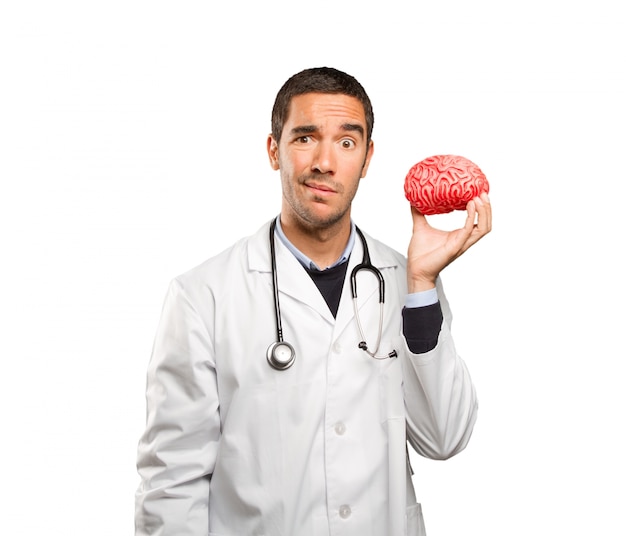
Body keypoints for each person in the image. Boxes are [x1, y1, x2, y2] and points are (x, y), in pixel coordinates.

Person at [135, 66, 492, 536]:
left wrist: (423, 283)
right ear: (273, 150)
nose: (325, 161)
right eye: (305, 138)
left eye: (347, 142)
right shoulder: (203, 295)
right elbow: (172, 483)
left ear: (366, 159)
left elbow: (444, 438)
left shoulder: (407, 281)